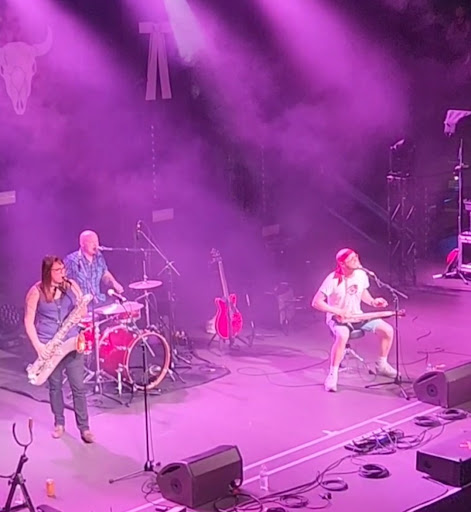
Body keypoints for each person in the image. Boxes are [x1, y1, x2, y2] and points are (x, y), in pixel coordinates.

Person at [24, 255, 94, 442]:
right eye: (58, 270)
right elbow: (28, 322)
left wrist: (81, 310)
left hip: (71, 341)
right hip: (49, 344)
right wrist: (39, 347)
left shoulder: (71, 286)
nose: (63, 273)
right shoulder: (36, 292)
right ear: (48, 272)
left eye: (63, 269)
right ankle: (59, 423)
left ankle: (84, 428)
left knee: (78, 386)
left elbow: (83, 310)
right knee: (55, 387)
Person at [312, 248, 397, 392]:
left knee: (387, 330)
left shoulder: (361, 274)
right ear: (342, 264)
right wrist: (337, 311)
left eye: (356, 257)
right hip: (337, 318)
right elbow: (316, 302)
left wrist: (373, 301)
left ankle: (382, 365)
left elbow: (362, 292)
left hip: (358, 316)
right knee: (343, 335)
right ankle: (333, 374)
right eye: (351, 259)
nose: (356, 260)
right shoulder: (332, 279)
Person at [64, 230, 124, 307]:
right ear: (82, 244)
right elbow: (63, 281)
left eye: (96, 241)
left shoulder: (99, 257)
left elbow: (104, 274)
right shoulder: (71, 260)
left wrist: (114, 283)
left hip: (99, 301)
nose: (95, 245)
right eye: (91, 242)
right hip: (82, 306)